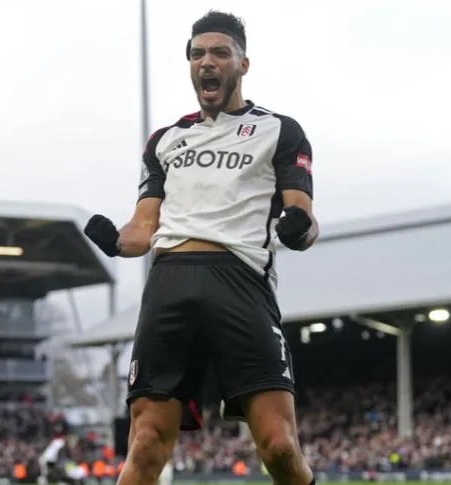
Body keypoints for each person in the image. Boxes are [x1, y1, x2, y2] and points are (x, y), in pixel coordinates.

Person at [83, 10, 318, 485]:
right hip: (168, 282)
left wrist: (296, 228)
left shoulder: (280, 129)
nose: (206, 62)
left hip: (239, 281)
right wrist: (115, 241)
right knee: (146, 444)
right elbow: (142, 229)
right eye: (197, 54)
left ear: (243, 64)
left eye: (219, 53)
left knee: (279, 447)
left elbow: (305, 221)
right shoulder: (165, 140)